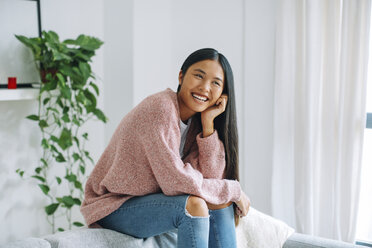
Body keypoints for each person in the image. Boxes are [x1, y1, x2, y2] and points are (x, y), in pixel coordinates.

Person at [81, 48, 251, 248]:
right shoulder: (160, 108)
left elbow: (211, 179)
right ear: (181, 76)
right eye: (199, 75)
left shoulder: (196, 123)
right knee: (195, 205)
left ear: (223, 94)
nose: (205, 87)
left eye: (215, 83)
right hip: (114, 205)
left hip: (153, 202)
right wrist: (234, 190)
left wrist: (208, 127)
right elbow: (175, 181)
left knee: (220, 202)